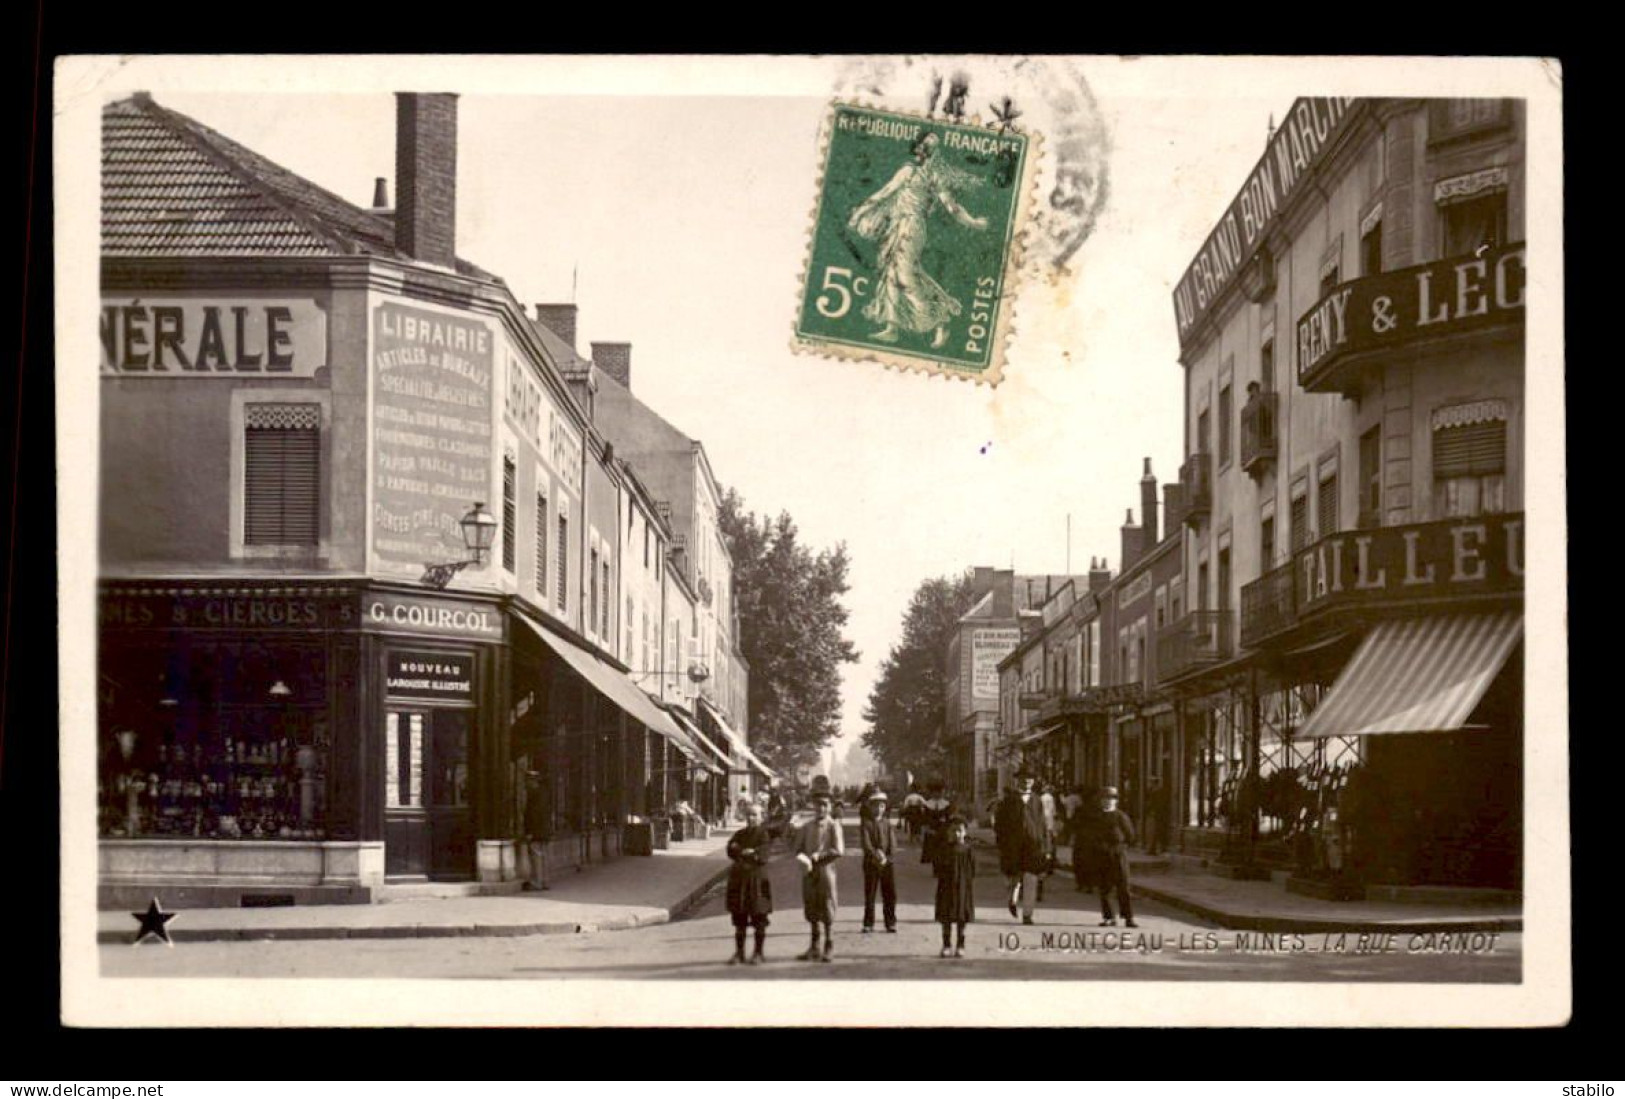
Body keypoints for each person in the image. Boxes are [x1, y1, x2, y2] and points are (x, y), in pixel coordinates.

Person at [847, 131, 990, 349]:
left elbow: (952, 207)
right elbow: (885, 193)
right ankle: (892, 328)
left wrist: (973, 223)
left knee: (904, 274)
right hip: (898, 225)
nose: (926, 150)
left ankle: (941, 318)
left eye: (931, 147)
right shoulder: (908, 171)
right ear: (917, 147)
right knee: (893, 273)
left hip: (912, 227)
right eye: (925, 145)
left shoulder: (933, 176)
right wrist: (859, 213)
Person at [994, 771, 1053, 925]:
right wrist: (1002, 843)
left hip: (1032, 846)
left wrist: (1046, 847)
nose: (1026, 782)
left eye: (1029, 780)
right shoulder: (1009, 800)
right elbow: (1000, 824)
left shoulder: (1037, 800)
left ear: (1033, 782)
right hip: (1013, 846)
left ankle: (1028, 913)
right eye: (1023, 780)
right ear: (1017, 781)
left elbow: (1043, 824)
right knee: (1014, 876)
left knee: (1031, 878)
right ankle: (1012, 898)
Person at [793, 790, 845, 961]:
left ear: (829, 807)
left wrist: (820, 855)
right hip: (809, 872)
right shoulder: (807, 826)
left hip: (826, 872)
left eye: (825, 805)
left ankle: (829, 945)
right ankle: (814, 946)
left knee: (827, 906)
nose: (821, 808)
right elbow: (796, 847)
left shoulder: (833, 825)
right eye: (818, 805)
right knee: (811, 906)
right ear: (814, 806)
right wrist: (791, 828)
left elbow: (839, 850)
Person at [725, 803, 774, 964]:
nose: (751, 818)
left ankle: (758, 953)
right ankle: (739, 953)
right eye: (749, 815)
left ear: (761, 817)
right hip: (739, 880)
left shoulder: (763, 835)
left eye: (754, 815)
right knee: (739, 918)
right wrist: (743, 851)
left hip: (757, 881)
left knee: (758, 917)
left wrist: (749, 853)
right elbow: (730, 849)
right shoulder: (740, 833)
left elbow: (763, 855)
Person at [932, 813, 977, 958]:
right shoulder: (944, 848)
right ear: (948, 832)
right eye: (953, 830)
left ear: (965, 832)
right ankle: (946, 945)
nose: (957, 834)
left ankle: (960, 945)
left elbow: (972, 869)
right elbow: (937, 868)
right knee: (946, 917)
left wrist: (966, 882)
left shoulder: (968, 850)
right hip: (946, 887)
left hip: (963, 888)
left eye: (960, 830)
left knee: (961, 917)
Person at [1095, 786, 1139, 928]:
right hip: (1102, 855)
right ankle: (1109, 917)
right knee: (1105, 887)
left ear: (1116, 801)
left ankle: (1128, 917)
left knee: (1123, 886)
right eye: (1105, 799)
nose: (1108, 802)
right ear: (1101, 801)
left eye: (1112, 799)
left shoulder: (1121, 816)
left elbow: (1130, 835)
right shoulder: (1096, 817)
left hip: (1118, 854)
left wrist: (1121, 846)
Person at [859, 788, 898, 933]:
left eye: (882, 806)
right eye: (876, 805)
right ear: (870, 806)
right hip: (871, 862)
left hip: (887, 863)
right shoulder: (866, 823)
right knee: (870, 894)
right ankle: (868, 923)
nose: (879, 809)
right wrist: (876, 854)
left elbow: (893, 843)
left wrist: (887, 857)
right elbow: (866, 843)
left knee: (889, 894)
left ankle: (890, 922)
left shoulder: (887, 823)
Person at [1068, 786, 1104, 894]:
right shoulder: (1099, 810)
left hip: (1082, 839)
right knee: (1093, 862)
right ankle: (1092, 884)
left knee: (1080, 862)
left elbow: (1073, 823)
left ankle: (1082, 884)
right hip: (1095, 840)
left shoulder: (1080, 810)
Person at [1145, 777, 1169, 856]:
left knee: (1155, 832)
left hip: (1156, 815)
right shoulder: (1152, 791)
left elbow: (1156, 804)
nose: (1149, 784)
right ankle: (1153, 848)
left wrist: (1153, 811)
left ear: (1154, 783)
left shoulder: (1157, 792)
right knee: (1153, 832)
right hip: (1154, 814)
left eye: (1150, 782)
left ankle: (1154, 849)